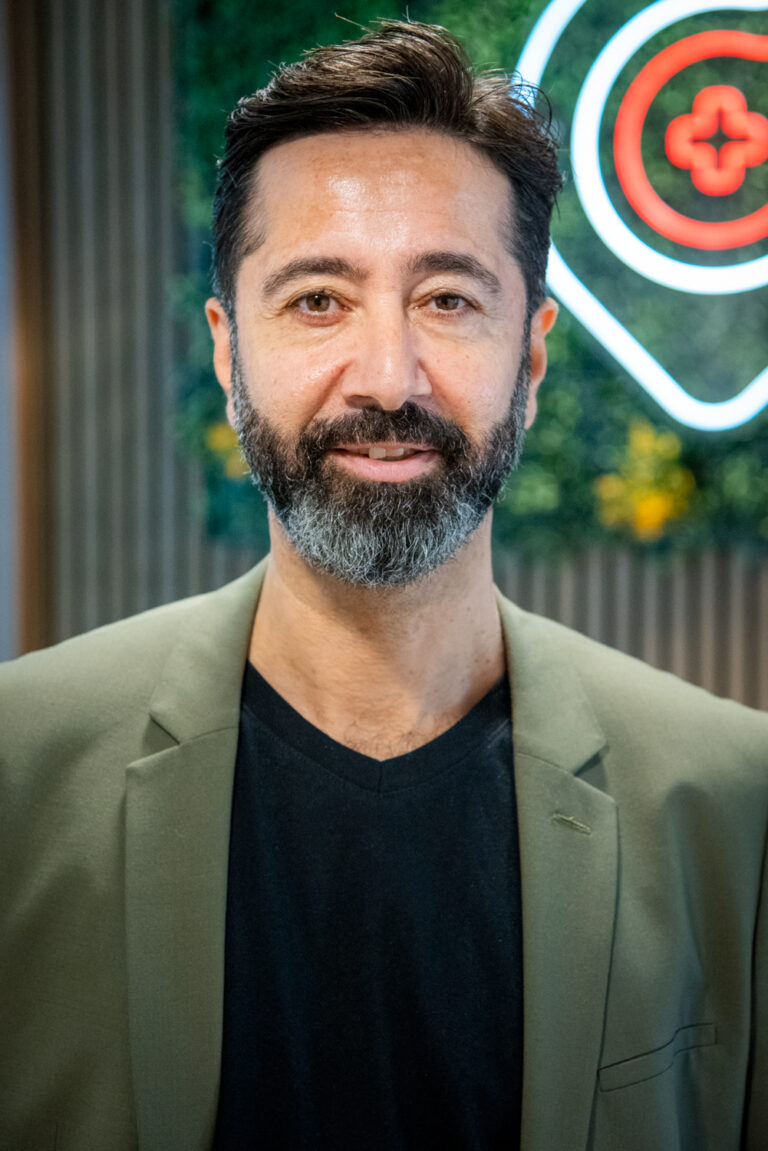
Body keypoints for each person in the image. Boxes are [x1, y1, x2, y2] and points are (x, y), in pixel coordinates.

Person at [1, 19, 766, 1151]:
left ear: (534, 357)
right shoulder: (15, 772)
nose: (388, 376)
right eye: (318, 299)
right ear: (227, 351)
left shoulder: (732, 803)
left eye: (449, 299)